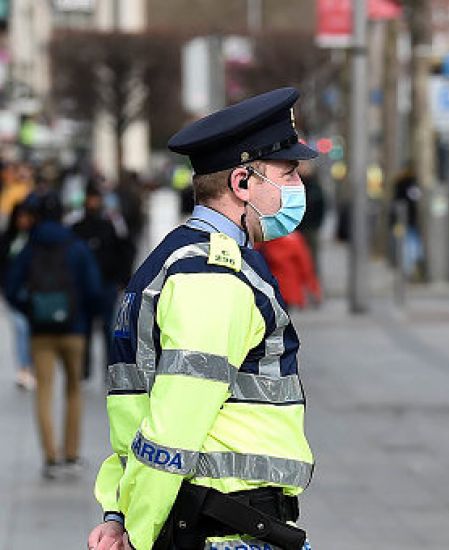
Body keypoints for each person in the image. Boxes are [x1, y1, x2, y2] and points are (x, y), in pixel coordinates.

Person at [86, 87, 318, 550]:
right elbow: (175, 422)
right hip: (225, 530)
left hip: (209, 523)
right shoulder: (213, 276)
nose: (296, 185)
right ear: (243, 183)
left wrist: (120, 512)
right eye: (287, 173)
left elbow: (139, 412)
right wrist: (139, 533)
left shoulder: (176, 259)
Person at [4, 192, 102, 479]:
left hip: (40, 332)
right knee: (73, 390)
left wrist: (31, 310)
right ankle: (71, 454)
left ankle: (50, 457)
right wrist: (85, 316)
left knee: (44, 391)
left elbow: (11, 288)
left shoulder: (29, 247)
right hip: (74, 330)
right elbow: (94, 288)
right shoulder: (76, 246)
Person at [72, 185, 127, 381]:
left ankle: (107, 370)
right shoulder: (77, 227)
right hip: (84, 289)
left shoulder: (109, 225)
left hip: (106, 285)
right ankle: (84, 369)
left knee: (107, 330)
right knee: (85, 329)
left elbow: (122, 251)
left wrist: (122, 278)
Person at [0, 200, 37, 390]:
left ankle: (30, 365)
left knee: (31, 330)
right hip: (13, 293)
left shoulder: (36, 239)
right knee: (22, 328)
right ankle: (24, 368)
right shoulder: (8, 239)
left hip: (33, 292)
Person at [256, 229, 322, 309]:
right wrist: (313, 289)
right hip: (287, 289)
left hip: (269, 288)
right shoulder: (293, 238)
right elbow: (305, 266)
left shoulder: (262, 238)